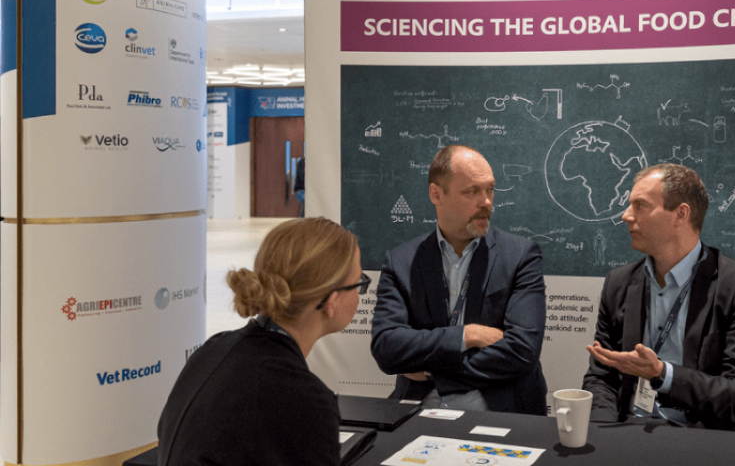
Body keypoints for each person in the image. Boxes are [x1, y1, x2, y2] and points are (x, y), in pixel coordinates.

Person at [157, 217, 369, 465]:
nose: (359, 294)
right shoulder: (303, 399)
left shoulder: (212, 350)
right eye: (359, 283)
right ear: (331, 302)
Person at [582, 163, 735, 433]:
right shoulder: (619, 282)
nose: (626, 216)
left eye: (640, 205)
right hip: (631, 432)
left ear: (681, 214)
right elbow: (602, 377)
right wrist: (603, 436)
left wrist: (663, 374)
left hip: (706, 438)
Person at [371, 144, 548, 414]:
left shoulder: (520, 256)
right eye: (472, 191)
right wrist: (467, 335)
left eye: (490, 189)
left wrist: (432, 370)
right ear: (436, 194)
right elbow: (387, 348)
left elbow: (522, 351)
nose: (486, 202)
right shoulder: (401, 262)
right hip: (420, 408)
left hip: (498, 410)